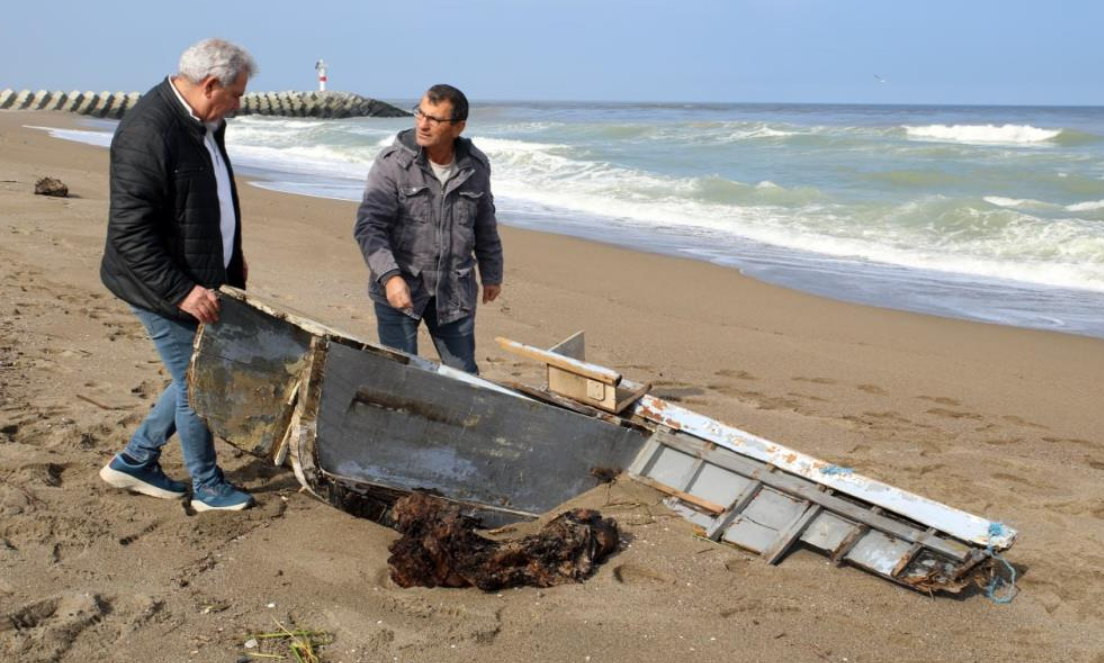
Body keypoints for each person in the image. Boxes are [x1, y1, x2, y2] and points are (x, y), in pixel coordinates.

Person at [97, 38, 257, 512]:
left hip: (202, 272)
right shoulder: (149, 131)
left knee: (189, 373)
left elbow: (208, 194)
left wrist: (231, 255)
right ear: (210, 85)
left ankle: (135, 460)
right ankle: (207, 487)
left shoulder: (205, 122)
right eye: (236, 94)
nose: (239, 103)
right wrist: (182, 291)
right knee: (198, 381)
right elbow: (130, 234)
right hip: (158, 284)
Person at [354, 84, 503, 374]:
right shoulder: (392, 165)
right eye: (420, 113)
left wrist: (492, 272)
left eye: (434, 119)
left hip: (454, 291)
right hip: (401, 289)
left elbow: (485, 224)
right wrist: (390, 277)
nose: (423, 124)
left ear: (458, 127)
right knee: (400, 374)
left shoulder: (476, 167)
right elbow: (369, 227)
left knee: (465, 377)